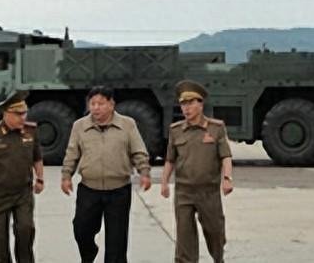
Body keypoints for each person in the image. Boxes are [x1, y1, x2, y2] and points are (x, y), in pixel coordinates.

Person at [61, 85, 152, 263]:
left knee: (117, 241)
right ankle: (89, 252)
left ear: (111, 104)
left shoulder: (127, 124)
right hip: (89, 189)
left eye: (101, 103)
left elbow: (138, 151)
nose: (96, 108)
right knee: (81, 229)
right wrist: (66, 176)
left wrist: (144, 172)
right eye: (92, 103)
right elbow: (72, 153)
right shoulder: (79, 126)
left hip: (119, 190)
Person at [160, 80, 233, 263]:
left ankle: (218, 258)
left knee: (215, 232)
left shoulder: (216, 128)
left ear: (200, 104)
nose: (186, 108)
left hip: (208, 191)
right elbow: (170, 159)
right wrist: (164, 182)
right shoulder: (176, 131)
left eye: (191, 103)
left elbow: (225, 156)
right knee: (184, 237)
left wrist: (227, 178)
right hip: (184, 191)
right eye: (183, 104)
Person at [0, 90, 44, 263]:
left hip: (23, 193)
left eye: (24, 113)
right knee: (0, 240)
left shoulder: (31, 131)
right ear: (6, 114)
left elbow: (37, 158)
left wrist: (40, 179)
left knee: (26, 230)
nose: (22, 118)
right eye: (18, 114)